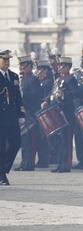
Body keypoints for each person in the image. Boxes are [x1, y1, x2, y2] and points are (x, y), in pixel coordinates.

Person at [0, 49, 25, 185]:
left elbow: (18, 97)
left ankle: (3, 169)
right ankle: (1, 175)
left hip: (11, 116)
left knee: (16, 143)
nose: (7, 62)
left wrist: (21, 114)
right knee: (1, 147)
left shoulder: (14, 76)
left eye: (8, 60)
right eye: (4, 60)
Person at [15, 55, 42, 171]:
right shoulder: (21, 79)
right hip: (22, 113)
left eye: (23, 66)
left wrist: (23, 96)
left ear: (29, 67)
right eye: (20, 65)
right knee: (23, 140)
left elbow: (37, 95)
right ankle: (23, 162)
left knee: (30, 140)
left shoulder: (33, 79)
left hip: (30, 113)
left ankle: (29, 163)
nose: (21, 68)